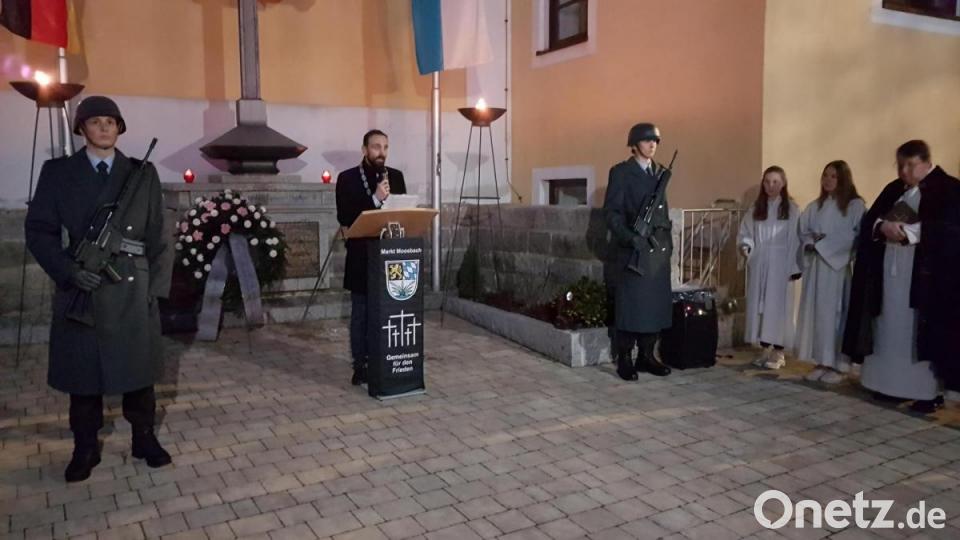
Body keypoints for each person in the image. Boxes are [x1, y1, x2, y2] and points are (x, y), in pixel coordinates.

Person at [24, 96, 173, 482]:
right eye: (95, 121)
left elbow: (160, 235)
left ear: (119, 128)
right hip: (83, 284)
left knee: (138, 372)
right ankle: (85, 446)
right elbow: (39, 230)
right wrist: (68, 272)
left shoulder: (141, 173)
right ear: (82, 128)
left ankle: (144, 438)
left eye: (111, 121)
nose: (104, 127)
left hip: (132, 286)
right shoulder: (59, 172)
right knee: (84, 376)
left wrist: (154, 289)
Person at [844, 140, 960, 413]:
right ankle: (889, 386)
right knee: (888, 327)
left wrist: (912, 233)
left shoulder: (949, 189)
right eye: (900, 165)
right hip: (889, 274)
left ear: (926, 162)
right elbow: (870, 221)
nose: (903, 171)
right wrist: (882, 227)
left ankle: (927, 392)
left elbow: (950, 230)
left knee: (918, 334)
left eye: (910, 165)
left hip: (924, 278)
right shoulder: (894, 189)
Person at [335, 129, 407, 386]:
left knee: (390, 311)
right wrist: (375, 199)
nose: (381, 152)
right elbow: (345, 216)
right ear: (364, 149)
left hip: (391, 256)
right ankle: (361, 365)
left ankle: (387, 358)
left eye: (385, 147)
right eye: (376, 147)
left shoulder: (396, 177)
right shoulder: (347, 178)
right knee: (361, 312)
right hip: (361, 257)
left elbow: (403, 213)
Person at [604, 122, 673, 380]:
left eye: (655, 141)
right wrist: (630, 238)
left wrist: (667, 243)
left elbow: (662, 211)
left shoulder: (659, 172)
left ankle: (647, 356)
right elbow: (612, 214)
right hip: (634, 250)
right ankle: (625, 358)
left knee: (654, 307)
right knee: (631, 308)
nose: (652, 145)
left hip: (656, 251)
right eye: (646, 140)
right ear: (634, 144)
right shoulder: (621, 173)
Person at [796, 161, 865, 384]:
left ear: (843, 179)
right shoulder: (815, 206)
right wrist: (810, 242)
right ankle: (821, 361)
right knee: (818, 315)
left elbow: (854, 237)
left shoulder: (854, 206)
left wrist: (823, 244)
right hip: (817, 268)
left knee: (835, 315)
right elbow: (803, 231)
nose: (827, 180)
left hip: (836, 269)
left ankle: (839, 365)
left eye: (833, 176)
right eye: (825, 175)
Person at [737, 166, 801, 370]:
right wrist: (746, 245)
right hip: (761, 261)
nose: (770, 186)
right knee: (762, 306)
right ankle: (764, 348)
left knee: (779, 307)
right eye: (767, 181)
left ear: (783, 183)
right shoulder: (757, 207)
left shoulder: (791, 209)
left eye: (775, 182)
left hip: (781, 263)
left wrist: (793, 267)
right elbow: (746, 232)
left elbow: (795, 239)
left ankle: (778, 352)